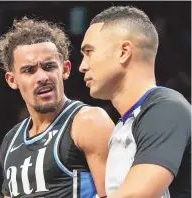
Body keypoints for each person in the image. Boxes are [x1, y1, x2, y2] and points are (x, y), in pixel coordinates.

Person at [79, 5, 191, 198]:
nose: (82, 66)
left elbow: (135, 195)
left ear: (124, 52)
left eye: (89, 52)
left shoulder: (166, 108)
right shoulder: (124, 124)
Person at [0, 17, 114, 198]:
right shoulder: (11, 140)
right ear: (12, 80)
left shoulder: (88, 122)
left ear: (65, 69)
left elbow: (119, 194)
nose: (42, 77)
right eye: (29, 70)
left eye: (49, 66)